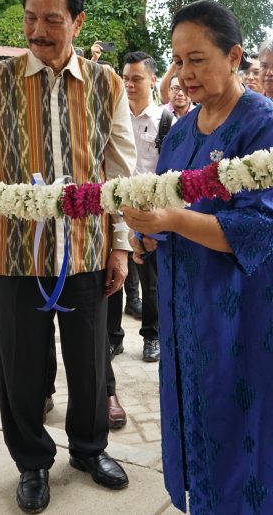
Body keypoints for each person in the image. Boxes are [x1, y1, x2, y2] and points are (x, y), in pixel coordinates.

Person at [0, 0, 136, 513]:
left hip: (87, 248)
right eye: (30, 18)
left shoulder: (106, 84)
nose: (38, 30)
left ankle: (90, 450)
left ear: (78, 22)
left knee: (90, 361)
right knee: (20, 367)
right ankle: (31, 462)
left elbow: (121, 172)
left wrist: (120, 244)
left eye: (52, 19)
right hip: (13, 250)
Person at [122, 1, 273, 514]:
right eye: (178, 61)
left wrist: (170, 221)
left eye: (197, 60)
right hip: (190, 313)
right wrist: (146, 234)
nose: (184, 74)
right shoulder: (184, 130)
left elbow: (262, 226)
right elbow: (163, 200)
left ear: (233, 57)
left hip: (247, 314)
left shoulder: (264, 125)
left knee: (241, 433)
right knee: (198, 423)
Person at [118, 51, 169, 365]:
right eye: (126, 78)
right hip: (116, 206)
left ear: (152, 80)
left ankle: (152, 336)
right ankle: (113, 338)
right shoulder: (115, 117)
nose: (130, 85)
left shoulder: (165, 120)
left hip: (149, 211)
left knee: (151, 283)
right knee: (113, 275)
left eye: (136, 78)